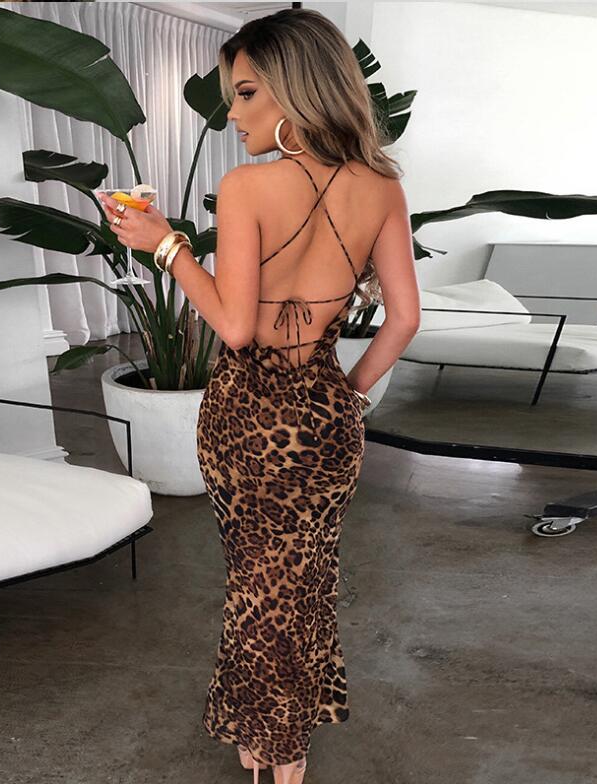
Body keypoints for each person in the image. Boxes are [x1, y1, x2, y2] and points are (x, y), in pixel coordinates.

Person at [100, 9, 420, 783]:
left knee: (259, 583)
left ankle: (280, 749)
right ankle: (267, 723)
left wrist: (164, 244)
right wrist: (346, 397)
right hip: (326, 418)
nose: (232, 115)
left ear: (292, 89)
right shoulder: (381, 186)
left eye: (244, 94)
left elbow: (236, 327)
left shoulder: (247, 187)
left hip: (248, 418)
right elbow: (405, 319)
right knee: (300, 581)